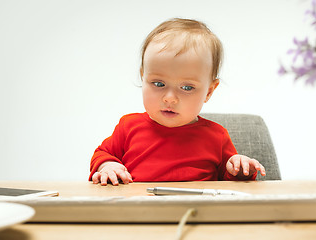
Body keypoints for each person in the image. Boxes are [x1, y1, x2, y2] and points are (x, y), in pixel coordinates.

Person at [89, 18, 266, 186]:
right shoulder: (128, 127)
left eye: (187, 88)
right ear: (143, 78)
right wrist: (108, 166)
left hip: (196, 214)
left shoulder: (217, 137)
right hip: (140, 212)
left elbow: (232, 188)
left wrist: (239, 170)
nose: (170, 98)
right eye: (159, 84)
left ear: (209, 91)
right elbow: (102, 154)